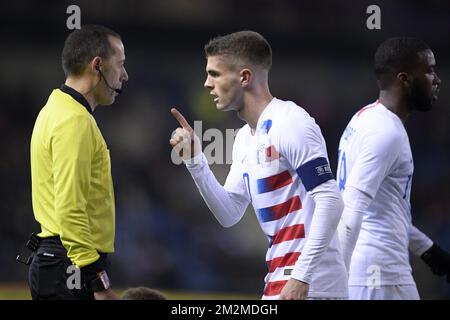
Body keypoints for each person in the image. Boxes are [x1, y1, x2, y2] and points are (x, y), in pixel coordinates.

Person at [169, 31, 347, 300]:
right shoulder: (243, 138)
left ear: (244, 77)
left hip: (314, 287)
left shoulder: (291, 122)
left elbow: (330, 200)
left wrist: (302, 276)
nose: (207, 83)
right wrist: (195, 160)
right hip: (279, 283)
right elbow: (229, 213)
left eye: (215, 74)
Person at [336, 37, 450, 300]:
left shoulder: (363, 118)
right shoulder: (386, 133)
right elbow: (352, 207)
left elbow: (383, 209)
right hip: (380, 275)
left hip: (374, 270)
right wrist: (330, 279)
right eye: (430, 70)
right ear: (405, 79)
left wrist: (427, 250)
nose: (437, 80)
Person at [28, 24, 128, 300]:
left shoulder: (54, 109)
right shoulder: (75, 121)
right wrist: (99, 282)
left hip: (59, 262)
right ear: (97, 65)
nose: (124, 76)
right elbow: (71, 208)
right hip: (71, 267)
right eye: (120, 65)